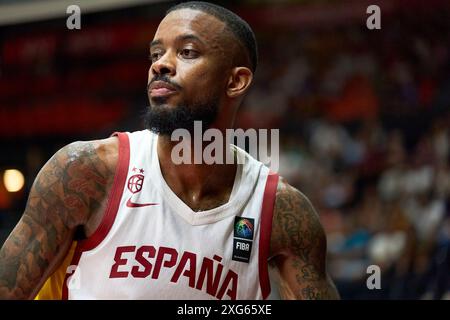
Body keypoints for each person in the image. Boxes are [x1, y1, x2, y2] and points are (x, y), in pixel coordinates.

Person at [0, 1, 339, 300]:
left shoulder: (281, 211)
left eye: (187, 52)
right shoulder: (87, 172)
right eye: (156, 53)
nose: (161, 65)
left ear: (236, 81)